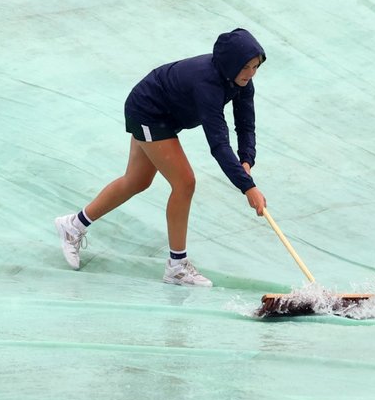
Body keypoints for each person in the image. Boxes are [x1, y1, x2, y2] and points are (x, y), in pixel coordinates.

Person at [54, 28, 267, 287]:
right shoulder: (207, 84)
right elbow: (219, 143)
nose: (251, 73)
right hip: (148, 111)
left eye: (256, 66)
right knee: (185, 183)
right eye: (246, 67)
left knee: (136, 180)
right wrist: (248, 187)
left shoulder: (242, 81)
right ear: (231, 63)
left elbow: (245, 124)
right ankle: (176, 267)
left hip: (166, 115)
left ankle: (72, 225)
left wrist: (247, 160)